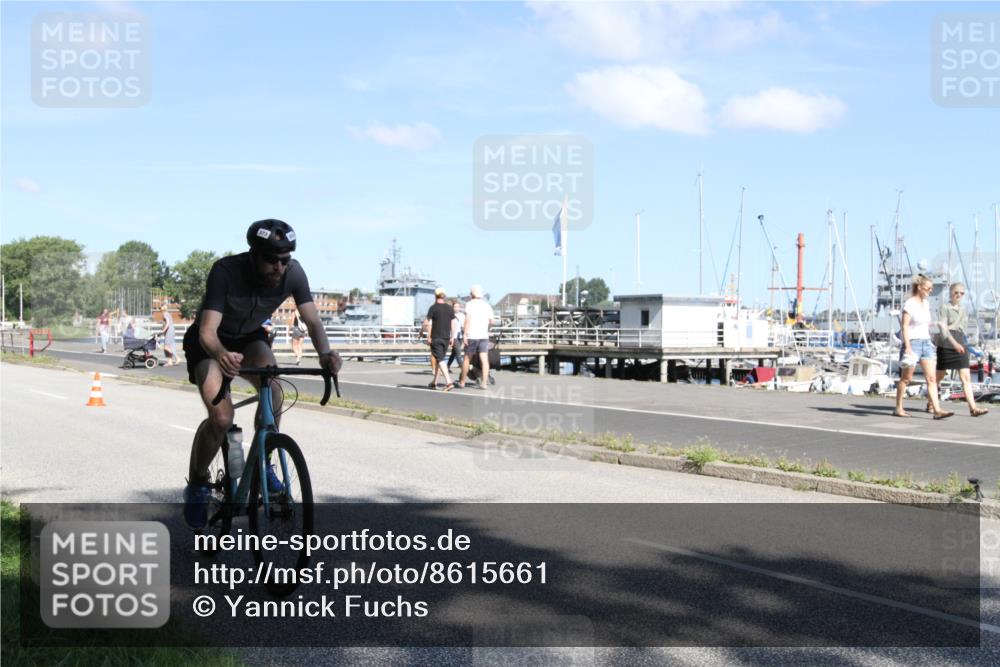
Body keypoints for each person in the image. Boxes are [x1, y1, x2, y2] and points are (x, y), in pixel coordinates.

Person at [181, 219, 342, 529]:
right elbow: (207, 331)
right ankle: (199, 485)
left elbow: (312, 322)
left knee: (275, 386)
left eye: (285, 260)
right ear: (253, 254)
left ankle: (264, 459)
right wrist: (220, 355)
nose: (279, 268)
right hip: (211, 344)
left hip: (250, 337)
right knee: (222, 418)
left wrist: (325, 354)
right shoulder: (225, 271)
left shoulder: (293, 272)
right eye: (271, 260)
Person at [894, 274, 952, 419]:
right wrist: (907, 346)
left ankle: (937, 410)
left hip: (926, 343)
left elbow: (924, 324)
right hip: (913, 343)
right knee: (906, 379)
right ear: (919, 287)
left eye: (931, 288)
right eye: (928, 288)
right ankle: (898, 407)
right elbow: (905, 326)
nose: (930, 291)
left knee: (931, 379)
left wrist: (937, 324)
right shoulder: (909, 304)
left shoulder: (926, 304)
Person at [932, 282, 989, 417]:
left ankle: (973, 408)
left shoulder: (964, 309)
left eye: (961, 293)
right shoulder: (944, 308)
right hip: (946, 343)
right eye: (956, 292)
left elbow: (962, 328)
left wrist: (963, 343)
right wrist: (954, 343)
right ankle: (931, 402)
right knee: (939, 376)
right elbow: (944, 329)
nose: (958, 295)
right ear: (951, 293)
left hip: (960, 341)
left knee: (966, 378)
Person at [459, 284, 494, 390]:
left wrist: (465, 334)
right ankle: (484, 383)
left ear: (472, 294)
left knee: (467, 359)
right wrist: (487, 329)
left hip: (472, 335)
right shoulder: (487, 305)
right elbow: (492, 321)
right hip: (484, 336)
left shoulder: (469, 304)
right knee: (484, 360)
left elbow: (467, 320)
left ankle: (462, 382)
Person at [422, 288, 455, 390]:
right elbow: (453, 323)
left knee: (440, 359)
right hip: (446, 338)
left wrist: (424, 333)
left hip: (436, 337)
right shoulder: (450, 308)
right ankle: (434, 382)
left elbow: (426, 323)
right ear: (444, 296)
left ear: (435, 296)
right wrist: (452, 337)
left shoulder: (433, 308)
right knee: (439, 359)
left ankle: (449, 382)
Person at [447, 299, 465, 372]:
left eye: (458, 307)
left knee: (454, 353)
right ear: (452, 307)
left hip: (460, 335)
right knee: (458, 352)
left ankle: (447, 366)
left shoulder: (462, 315)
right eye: (455, 307)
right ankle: (463, 369)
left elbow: (464, 326)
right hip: (453, 336)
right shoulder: (450, 315)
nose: (457, 308)